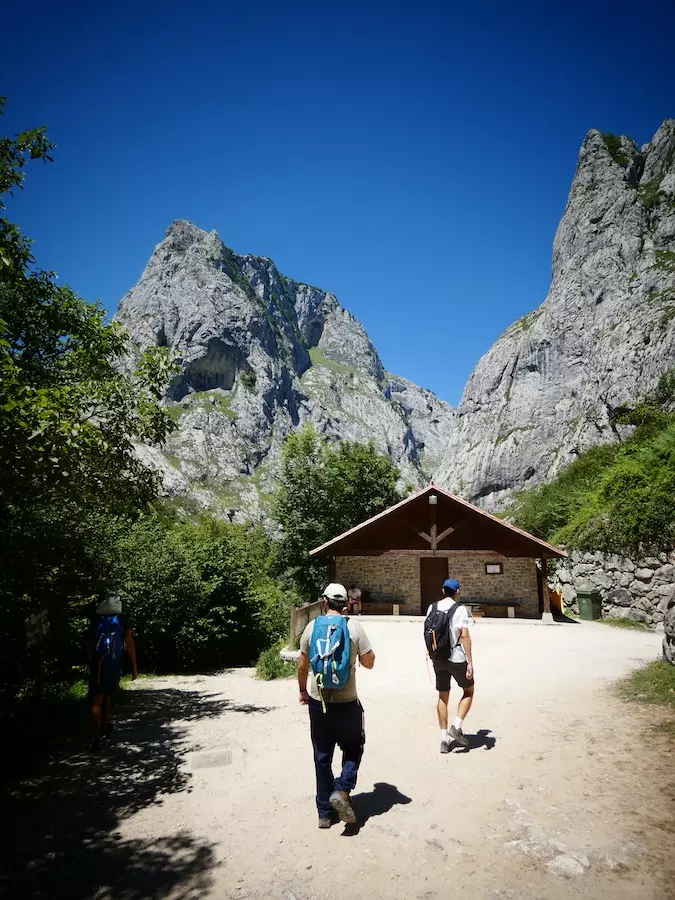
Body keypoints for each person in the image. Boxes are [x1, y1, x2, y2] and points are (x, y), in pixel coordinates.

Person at [297, 583, 375, 828]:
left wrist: (302, 691)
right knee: (354, 746)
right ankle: (342, 789)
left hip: (318, 701)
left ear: (325, 602)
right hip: (347, 701)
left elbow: (302, 665)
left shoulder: (312, 627)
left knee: (322, 756)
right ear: (345, 604)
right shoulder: (353, 627)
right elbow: (370, 662)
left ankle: (324, 813)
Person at [84, 591, 138, 751]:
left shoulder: (96, 621)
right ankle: (105, 725)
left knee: (96, 698)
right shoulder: (122, 620)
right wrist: (134, 665)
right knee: (108, 693)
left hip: (98, 662)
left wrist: (89, 659)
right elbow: (129, 641)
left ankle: (96, 736)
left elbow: (87, 643)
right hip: (114, 661)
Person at [425, 577, 474, 753]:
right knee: (469, 691)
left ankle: (444, 740)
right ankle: (457, 725)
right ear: (457, 592)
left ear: (443, 590)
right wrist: (470, 661)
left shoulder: (432, 607)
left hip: (438, 658)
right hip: (456, 658)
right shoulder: (460, 609)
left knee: (442, 696)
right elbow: (465, 636)